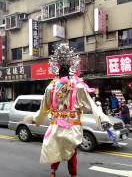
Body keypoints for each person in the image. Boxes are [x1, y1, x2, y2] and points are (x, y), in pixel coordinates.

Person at [28, 44, 110, 177]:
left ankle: (53, 172)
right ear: (72, 69)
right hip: (72, 126)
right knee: (71, 151)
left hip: (56, 126)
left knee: (56, 148)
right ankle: (72, 174)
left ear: (57, 70)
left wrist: (36, 119)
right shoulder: (78, 86)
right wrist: (102, 119)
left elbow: (43, 108)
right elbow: (91, 104)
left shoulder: (50, 88)